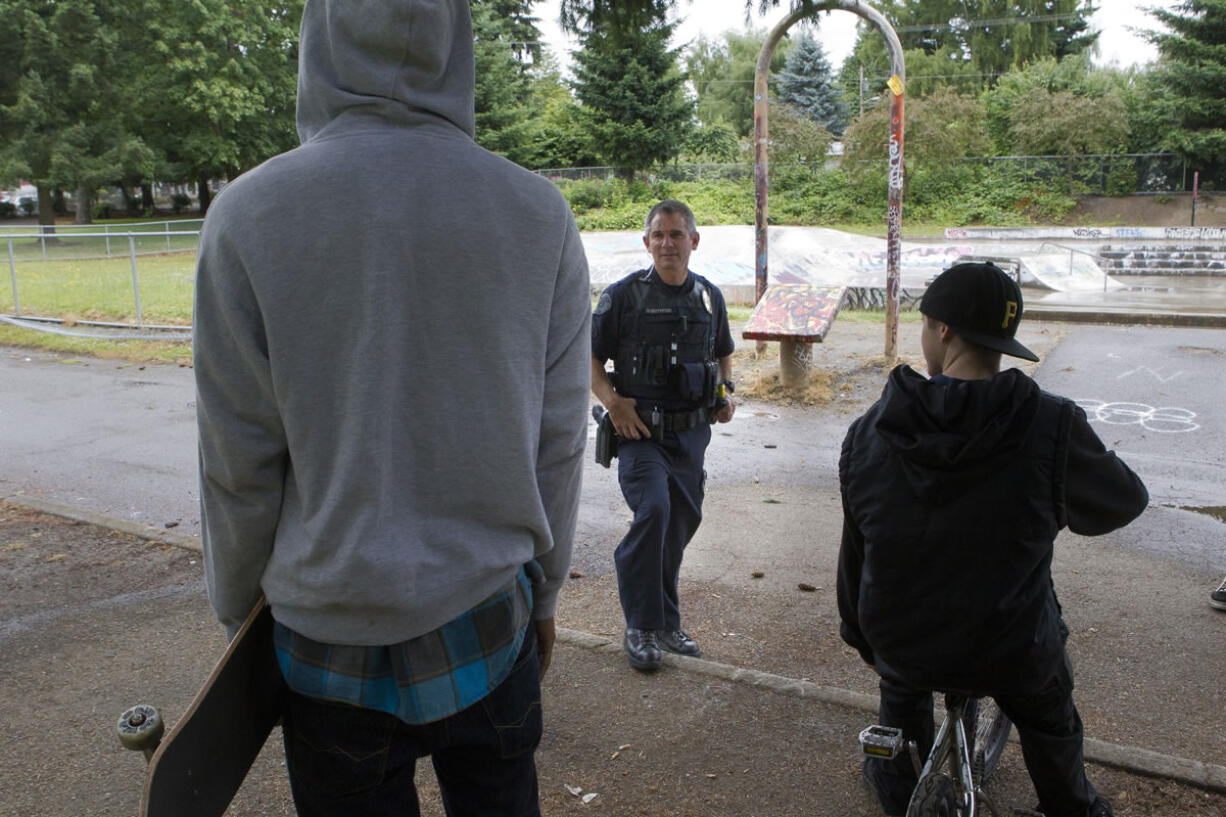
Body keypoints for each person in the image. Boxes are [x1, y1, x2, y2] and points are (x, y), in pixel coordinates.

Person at [192, 1, 591, 814]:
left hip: (325, 641)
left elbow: (237, 462)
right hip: (489, 623)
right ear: (456, 39)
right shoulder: (536, 213)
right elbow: (557, 441)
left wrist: (239, 614)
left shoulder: (247, 217)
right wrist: (544, 593)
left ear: (319, 37)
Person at [837, 262, 1148, 817]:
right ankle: (1072, 806)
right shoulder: (1051, 424)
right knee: (1050, 716)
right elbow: (1123, 502)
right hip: (1010, 647)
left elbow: (854, 558)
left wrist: (866, 641)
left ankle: (898, 786)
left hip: (902, 643)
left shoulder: (870, 430)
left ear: (944, 332)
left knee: (900, 698)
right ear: (1002, 343)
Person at [590, 199, 735, 672]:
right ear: (646, 241)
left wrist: (726, 392)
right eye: (658, 235)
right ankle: (641, 626)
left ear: (693, 241)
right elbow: (586, 359)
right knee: (653, 511)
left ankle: (667, 625)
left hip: (691, 437)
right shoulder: (624, 296)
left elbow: (723, 354)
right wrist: (613, 403)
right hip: (640, 433)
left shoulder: (710, 297)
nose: (667, 243)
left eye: (676, 235)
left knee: (677, 528)